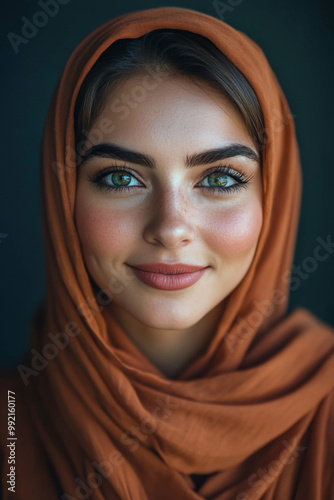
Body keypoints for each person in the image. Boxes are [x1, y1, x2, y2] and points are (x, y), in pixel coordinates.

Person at [1, 6, 334, 500]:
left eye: (220, 178)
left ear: (275, 196)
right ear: (64, 194)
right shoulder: (11, 422)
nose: (171, 228)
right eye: (120, 177)